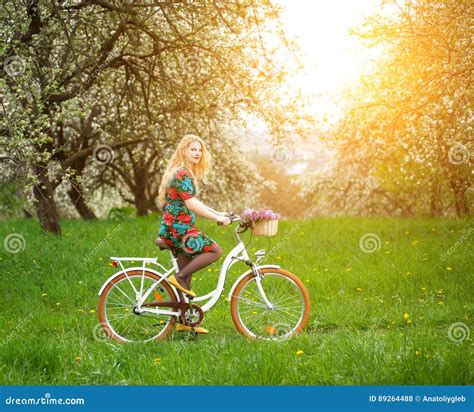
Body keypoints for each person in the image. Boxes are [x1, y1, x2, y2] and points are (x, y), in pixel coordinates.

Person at [156, 134, 231, 333]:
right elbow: (191, 204)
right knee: (215, 250)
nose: (197, 153)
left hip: (174, 229)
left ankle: (184, 321)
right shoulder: (182, 174)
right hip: (181, 231)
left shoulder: (182, 172)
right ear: (184, 151)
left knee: (186, 277)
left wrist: (218, 213)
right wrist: (216, 218)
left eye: (199, 150)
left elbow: (193, 202)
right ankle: (178, 278)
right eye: (193, 149)